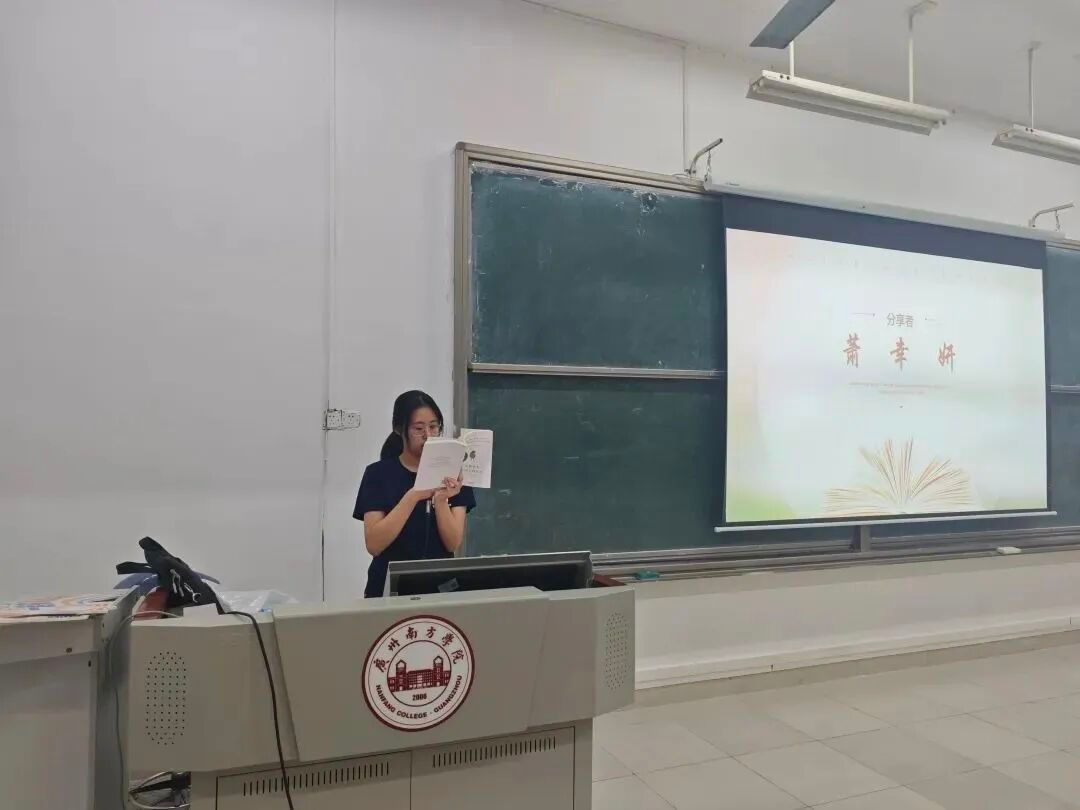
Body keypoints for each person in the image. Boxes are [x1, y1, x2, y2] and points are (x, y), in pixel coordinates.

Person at [353, 390, 476, 598]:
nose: (428, 435)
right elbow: (374, 544)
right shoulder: (378, 474)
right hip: (388, 588)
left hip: (440, 589)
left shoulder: (454, 474)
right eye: (418, 428)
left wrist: (441, 500)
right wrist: (413, 496)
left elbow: (453, 542)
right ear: (399, 429)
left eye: (434, 426)